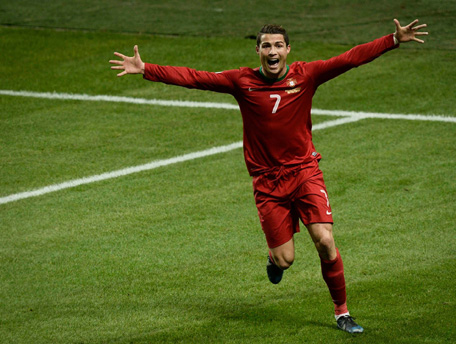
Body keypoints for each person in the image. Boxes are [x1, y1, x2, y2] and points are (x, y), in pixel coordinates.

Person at [110, 18, 428, 334]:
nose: (272, 51)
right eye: (266, 46)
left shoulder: (307, 75)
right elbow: (195, 78)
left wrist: (394, 40)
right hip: (267, 183)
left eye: (278, 45)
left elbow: (349, 59)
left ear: (287, 50)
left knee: (326, 241)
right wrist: (146, 69)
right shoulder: (242, 81)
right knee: (285, 259)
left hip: (304, 172)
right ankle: (274, 262)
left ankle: (342, 313)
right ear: (258, 51)